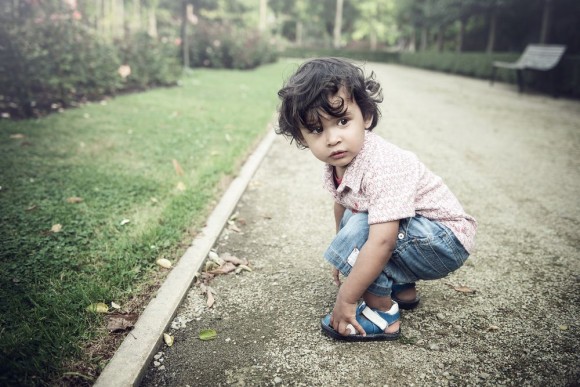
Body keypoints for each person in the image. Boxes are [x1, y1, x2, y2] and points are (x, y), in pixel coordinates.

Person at [276, 57, 477, 341]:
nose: (333, 138)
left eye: (343, 121)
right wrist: (343, 251)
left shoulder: (382, 164)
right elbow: (343, 204)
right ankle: (403, 288)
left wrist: (347, 297)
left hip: (445, 241)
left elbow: (382, 241)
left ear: (366, 117)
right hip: (420, 234)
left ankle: (382, 312)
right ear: (302, 136)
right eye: (317, 129)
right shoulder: (339, 163)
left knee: (364, 228)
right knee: (355, 222)